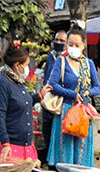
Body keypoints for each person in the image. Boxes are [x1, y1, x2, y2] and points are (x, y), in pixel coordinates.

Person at [47, 27, 100, 172]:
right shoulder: (60, 62)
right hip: (65, 112)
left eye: (77, 44)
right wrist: (72, 93)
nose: (73, 47)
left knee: (80, 152)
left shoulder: (88, 63)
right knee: (65, 152)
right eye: (70, 44)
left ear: (83, 45)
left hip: (83, 113)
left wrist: (87, 92)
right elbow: (53, 84)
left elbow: (97, 87)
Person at [0, 46, 50, 164]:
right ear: (17, 65)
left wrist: (40, 96)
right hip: (9, 147)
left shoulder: (17, 81)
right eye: (26, 65)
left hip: (24, 146)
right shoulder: (1, 83)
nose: (28, 69)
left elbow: (22, 102)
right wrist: (5, 143)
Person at [38, 30, 68, 164]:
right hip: (47, 105)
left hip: (60, 106)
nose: (59, 43)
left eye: (62, 41)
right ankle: (51, 169)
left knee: (58, 143)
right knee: (47, 137)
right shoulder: (50, 57)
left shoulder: (68, 59)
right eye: (57, 40)